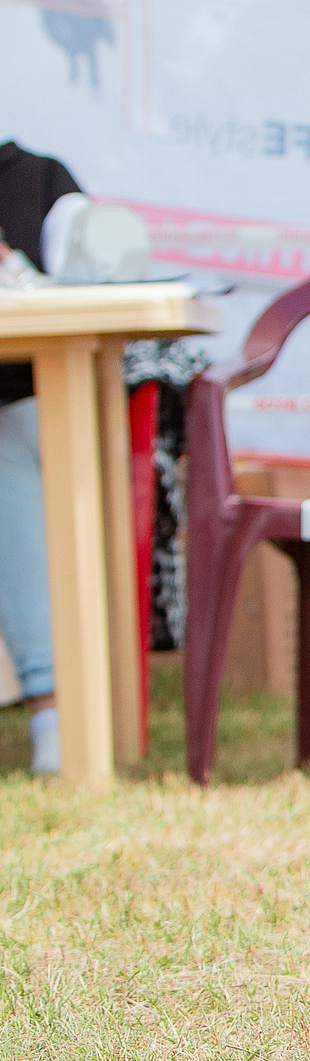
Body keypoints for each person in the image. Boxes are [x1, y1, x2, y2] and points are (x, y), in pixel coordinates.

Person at [0, 140, 85, 777]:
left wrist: (18, 272)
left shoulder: (38, 180)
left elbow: (94, 281)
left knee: (9, 447)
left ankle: (55, 707)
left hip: (25, 394)